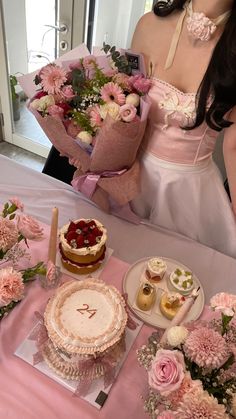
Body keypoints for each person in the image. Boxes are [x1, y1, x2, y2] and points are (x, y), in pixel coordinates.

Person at [131, 0, 236, 258]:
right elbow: (125, 104)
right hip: (130, 176)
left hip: (190, 195)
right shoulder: (148, 25)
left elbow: (234, 145)